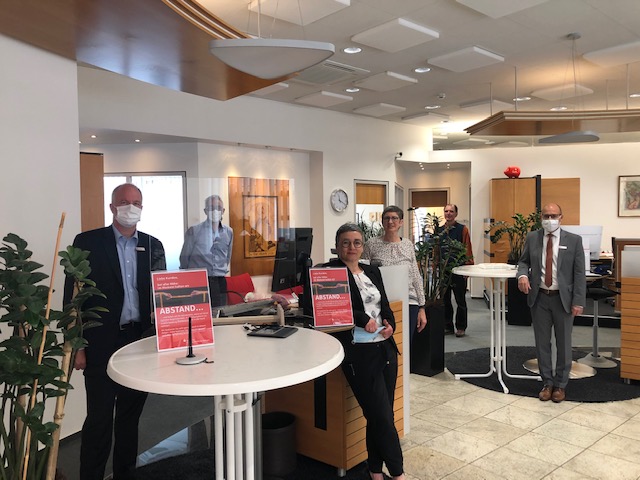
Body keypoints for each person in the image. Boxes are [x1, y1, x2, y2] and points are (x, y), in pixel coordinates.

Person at [64, 183, 166, 480]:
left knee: (129, 418)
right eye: (123, 201)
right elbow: (72, 299)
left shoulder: (154, 245)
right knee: (99, 420)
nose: (130, 207)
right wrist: (76, 345)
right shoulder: (87, 243)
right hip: (100, 343)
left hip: (139, 342)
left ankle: (126, 473)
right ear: (112, 207)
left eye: (136, 202)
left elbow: (162, 294)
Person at [317, 223, 405, 480]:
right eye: (345, 242)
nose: (351, 247)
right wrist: (361, 318)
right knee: (381, 417)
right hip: (359, 353)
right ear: (337, 246)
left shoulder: (372, 270)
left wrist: (390, 322)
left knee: (380, 415)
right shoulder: (329, 273)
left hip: (385, 349)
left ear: (363, 246)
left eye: (356, 242)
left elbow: (384, 304)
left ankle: (375, 471)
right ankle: (398, 474)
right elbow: (332, 307)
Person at [517, 203, 586, 403]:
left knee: (563, 344)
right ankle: (547, 383)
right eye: (546, 216)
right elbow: (523, 262)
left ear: (561, 217)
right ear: (541, 218)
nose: (549, 220)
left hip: (563, 300)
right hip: (539, 298)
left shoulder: (574, 240)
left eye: (553, 216)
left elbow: (579, 273)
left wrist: (578, 301)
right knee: (542, 343)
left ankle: (561, 385)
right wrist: (522, 275)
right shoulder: (533, 237)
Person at [362, 205, 427, 344]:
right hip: (382, 302)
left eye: (394, 218)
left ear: (401, 222)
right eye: (387, 218)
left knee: (405, 344)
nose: (390, 221)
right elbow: (363, 273)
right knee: (385, 343)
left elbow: (415, 276)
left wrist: (422, 308)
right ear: (382, 221)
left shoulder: (408, 244)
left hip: (409, 301)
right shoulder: (371, 245)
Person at [179, 194, 234, 306]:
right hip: (198, 281)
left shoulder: (228, 232)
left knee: (220, 313)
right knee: (200, 312)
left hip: (220, 281)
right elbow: (184, 258)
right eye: (211, 208)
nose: (215, 211)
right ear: (205, 211)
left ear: (223, 211)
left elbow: (227, 257)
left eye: (218, 208)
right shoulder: (194, 231)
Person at [443, 204, 474, 337]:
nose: (448, 213)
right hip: (444, 271)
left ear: (456, 214)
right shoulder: (439, 230)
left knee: (460, 300)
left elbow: (467, 248)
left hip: (459, 270)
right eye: (446, 211)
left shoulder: (462, 229)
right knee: (445, 300)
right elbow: (436, 250)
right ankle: (447, 325)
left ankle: (461, 327)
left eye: (451, 211)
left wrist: (468, 267)